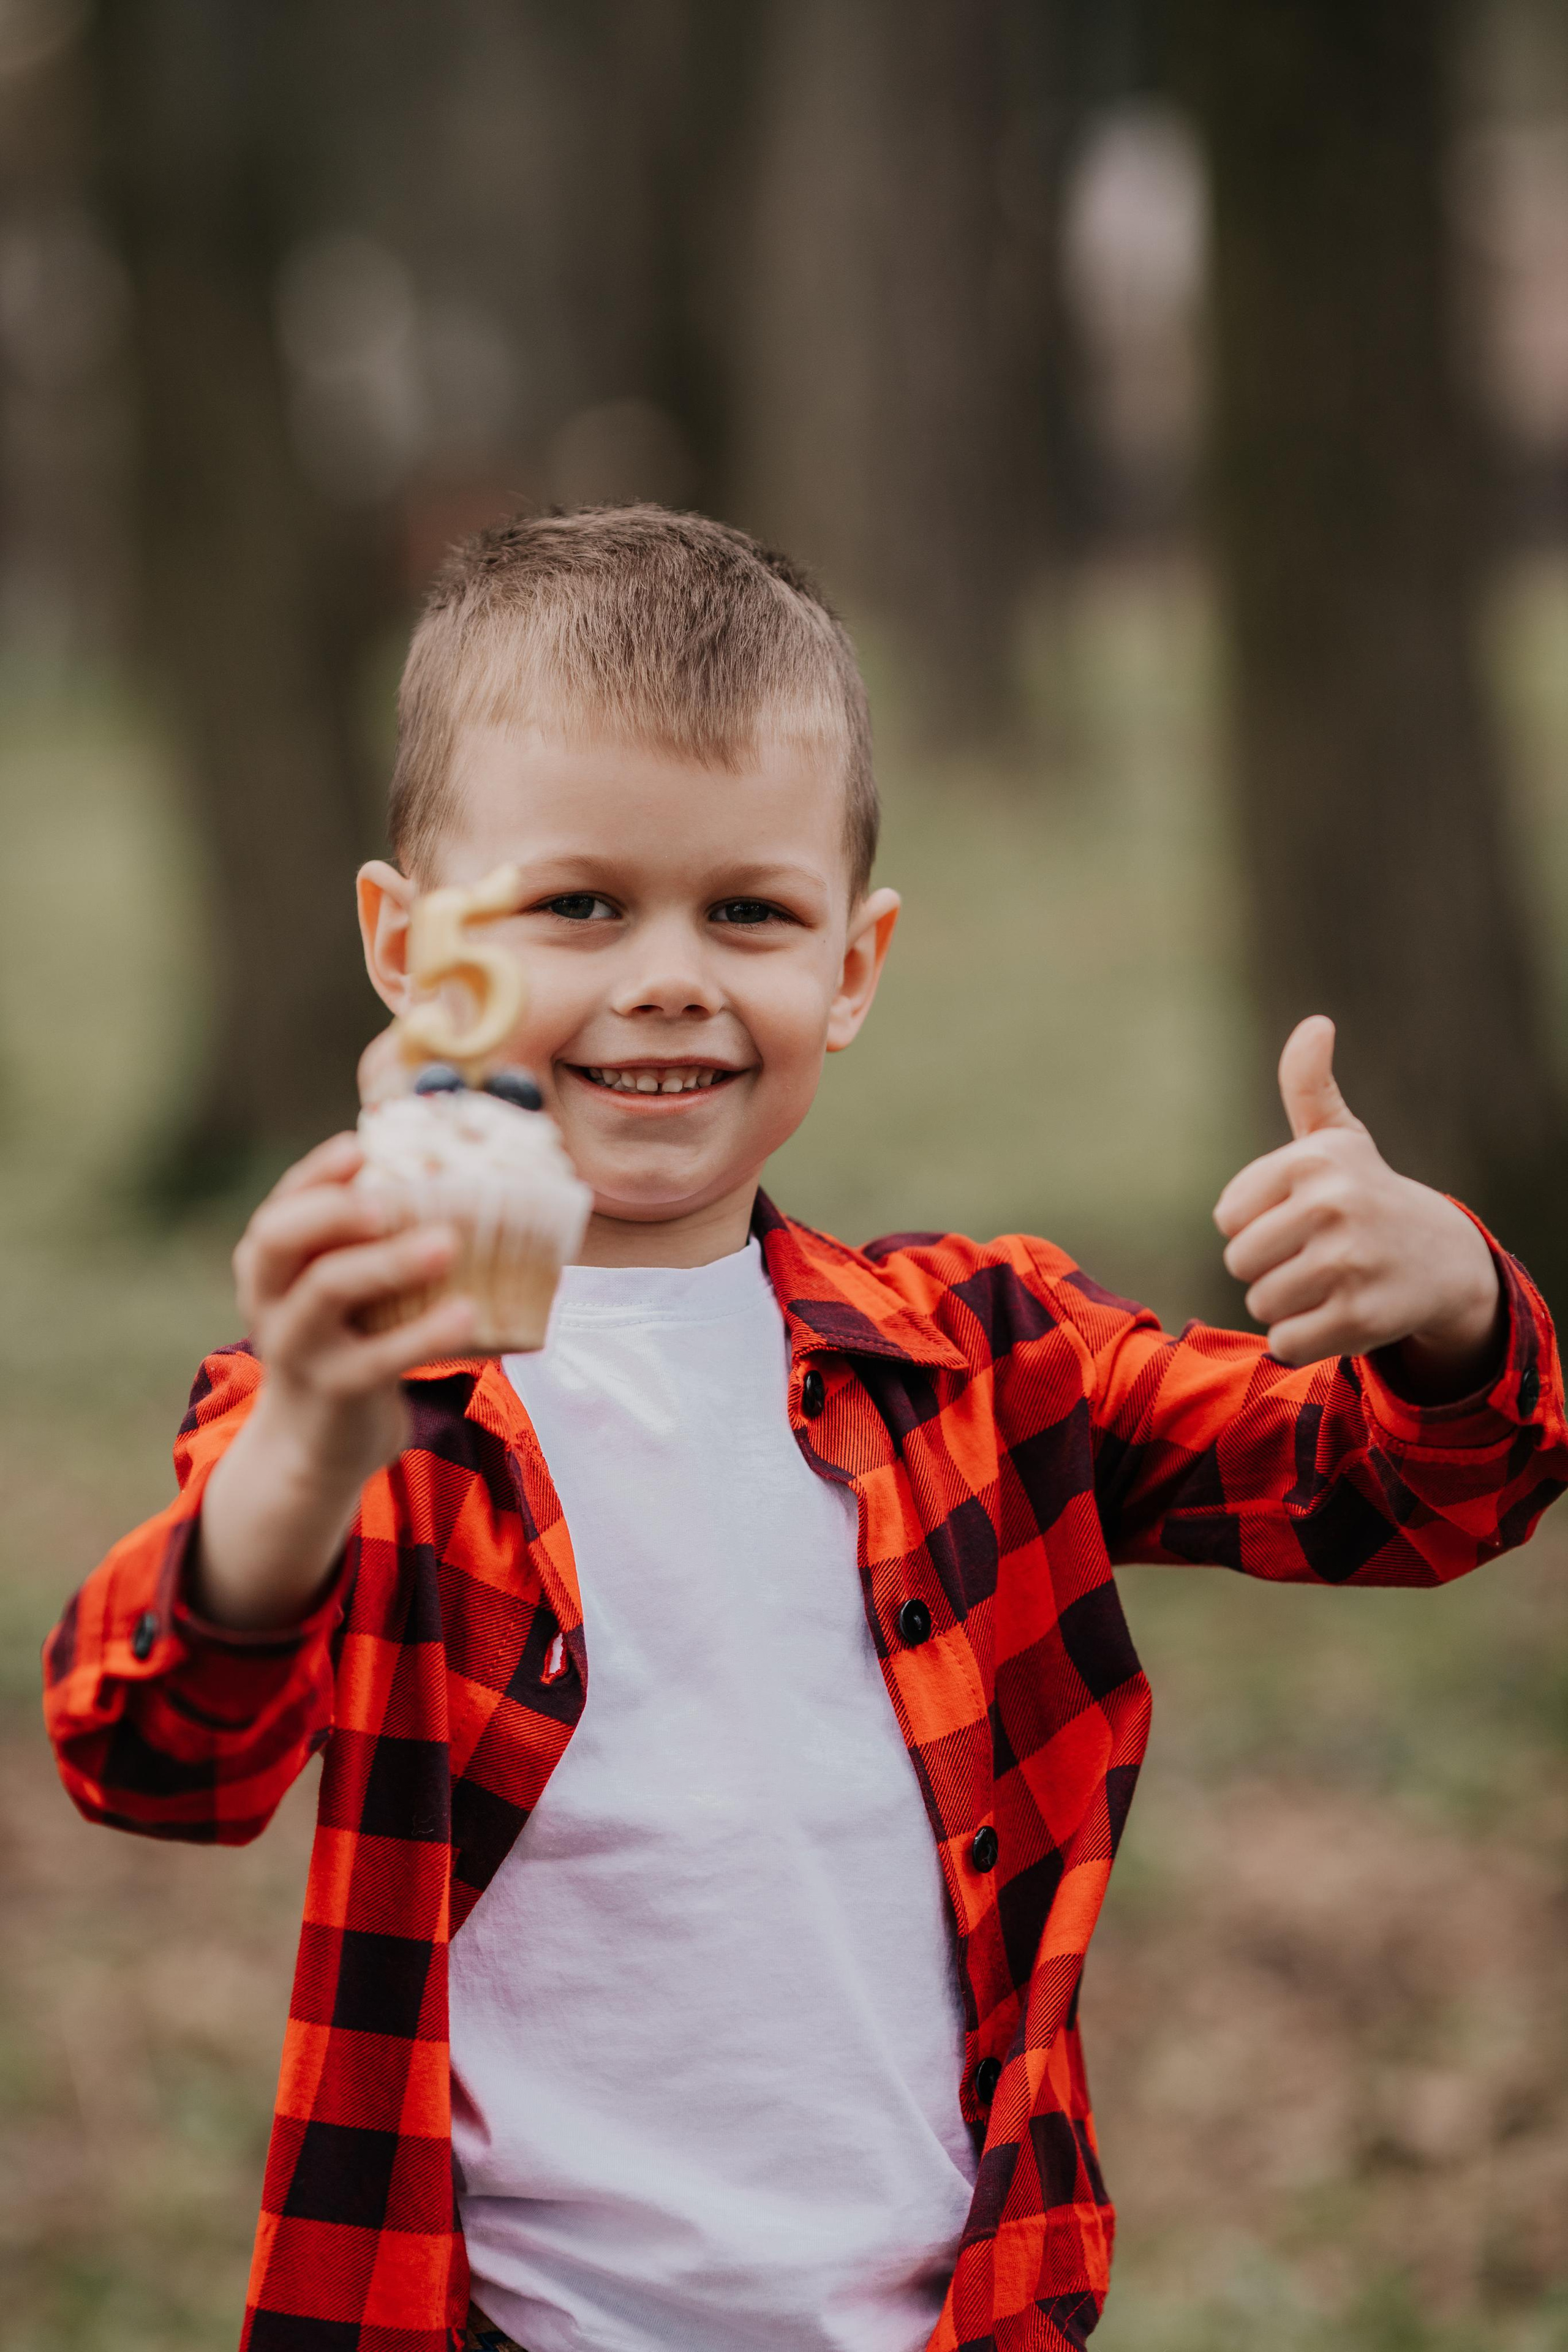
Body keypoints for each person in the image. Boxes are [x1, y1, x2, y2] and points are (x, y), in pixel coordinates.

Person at [43, 507, 1567, 2352]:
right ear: (408, 943)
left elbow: (1405, 1492)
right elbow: (158, 1754)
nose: (669, 976)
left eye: (748, 912)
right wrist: (306, 1445)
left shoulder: (987, 1358)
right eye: (578, 905)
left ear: (852, 962)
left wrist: (1451, 1300)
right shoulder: (383, 1406)